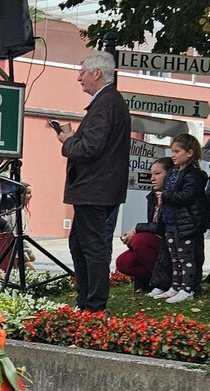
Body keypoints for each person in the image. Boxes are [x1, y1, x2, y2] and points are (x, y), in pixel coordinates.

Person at [56, 51, 131, 312]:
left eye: (82, 71)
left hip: (94, 189)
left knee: (92, 246)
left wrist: (68, 140)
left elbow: (89, 148)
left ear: (97, 73)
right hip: (97, 188)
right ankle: (87, 302)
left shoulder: (106, 103)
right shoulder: (110, 103)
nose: (79, 78)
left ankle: (93, 306)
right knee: (79, 244)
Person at [149, 135, 209, 303]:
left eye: (177, 151)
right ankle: (175, 286)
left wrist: (166, 196)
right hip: (170, 221)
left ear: (189, 153)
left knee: (186, 257)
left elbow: (188, 195)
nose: (173, 155)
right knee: (174, 256)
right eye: (172, 151)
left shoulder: (195, 175)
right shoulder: (174, 172)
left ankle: (187, 289)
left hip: (186, 223)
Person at [117, 158, 171, 293]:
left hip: (171, 244)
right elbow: (153, 223)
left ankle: (167, 282)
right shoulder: (152, 196)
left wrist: (136, 230)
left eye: (157, 174)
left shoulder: (173, 196)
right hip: (157, 243)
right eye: (151, 174)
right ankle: (148, 282)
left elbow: (162, 226)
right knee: (123, 262)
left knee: (141, 240)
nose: (152, 178)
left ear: (170, 174)